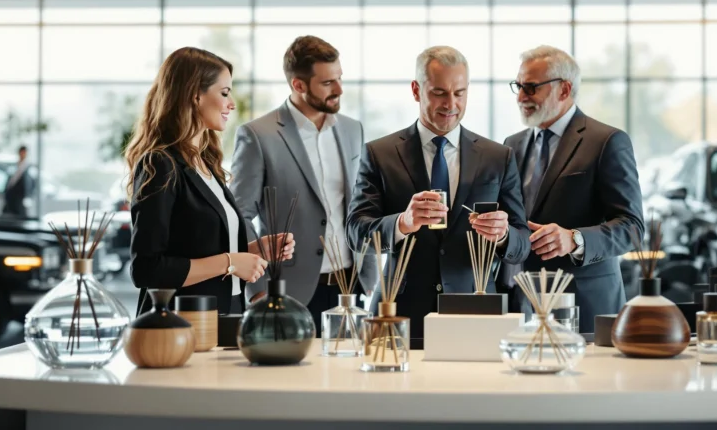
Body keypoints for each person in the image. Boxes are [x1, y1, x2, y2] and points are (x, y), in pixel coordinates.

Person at [347, 46, 530, 338]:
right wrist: (402, 223)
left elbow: (523, 243)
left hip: (476, 312)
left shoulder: (499, 157)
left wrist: (504, 234)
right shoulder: (378, 154)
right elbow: (356, 233)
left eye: (460, 93)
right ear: (416, 90)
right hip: (399, 312)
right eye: (439, 93)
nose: (451, 104)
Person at [126, 47, 292, 316]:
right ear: (194, 95)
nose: (232, 103)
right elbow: (146, 269)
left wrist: (255, 250)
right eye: (224, 92)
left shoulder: (206, 163)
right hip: (179, 326)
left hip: (224, 318)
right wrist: (229, 262)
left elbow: (200, 247)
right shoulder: (160, 163)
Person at [231, 35, 378, 330]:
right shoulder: (258, 135)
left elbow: (362, 203)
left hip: (353, 286)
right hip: (286, 289)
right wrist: (256, 286)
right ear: (298, 85)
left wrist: (374, 280)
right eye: (327, 83)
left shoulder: (352, 130)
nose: (339, 89)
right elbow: (239, 216)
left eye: (339, 78)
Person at [499, 46, 644, 333]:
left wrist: (574, 239)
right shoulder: (511, 145)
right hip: (518, 301)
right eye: (518, 86)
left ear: (564, 90)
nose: (520, 97)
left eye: (530, 88)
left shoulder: (607, 141)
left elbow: (632, 227)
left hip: (584, 303)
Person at [2, 145, 35, 217]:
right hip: (11, 198)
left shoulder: (28, 167)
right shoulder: (14, 166)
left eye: (24, 153)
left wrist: (28, 196)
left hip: (20, 199)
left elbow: (30, 184)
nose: (22, 154)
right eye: (21, 152)